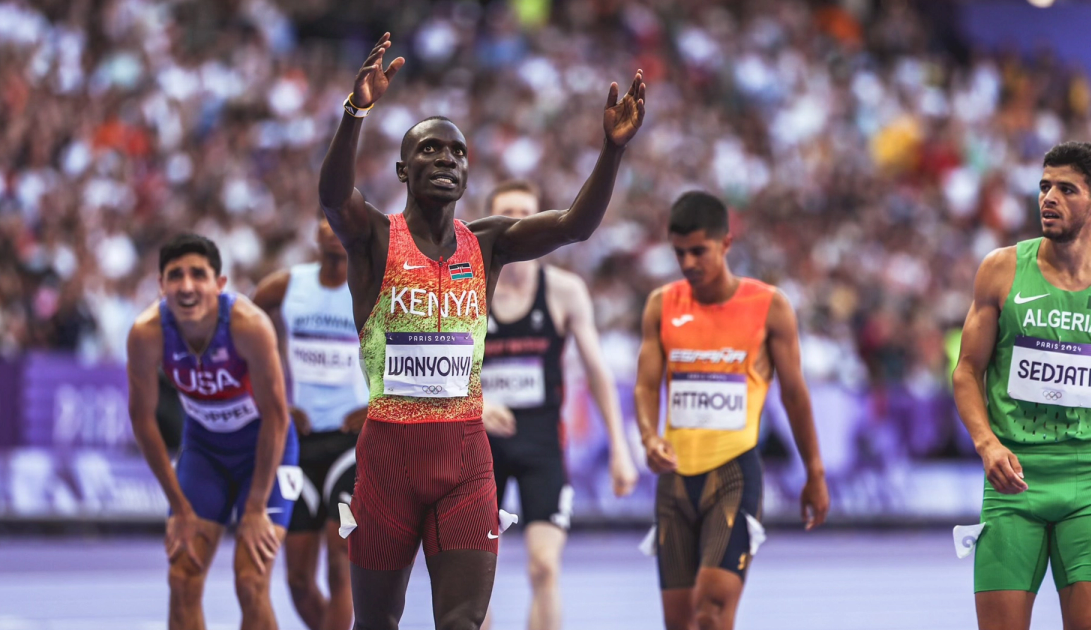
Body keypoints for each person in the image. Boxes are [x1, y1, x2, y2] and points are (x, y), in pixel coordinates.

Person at [317, 32, 645, 630]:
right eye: (429, 151)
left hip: (466, 460)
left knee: (464, 623)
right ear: (402, 169)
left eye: (456, 153)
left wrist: (612, 151)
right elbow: (334, 198)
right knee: (375, 624)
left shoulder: (488, 243)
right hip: (388, 458)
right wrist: (355, 112)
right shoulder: (373, 240)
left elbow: (574, 226)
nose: (445, 159)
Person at [952, 141, 1091, 630]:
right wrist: (986, 443)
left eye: (1066, 189)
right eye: (1044, 186)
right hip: (1013, 477)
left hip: (1090, 478)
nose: (1048, 198)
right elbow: (967, 369)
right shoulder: (1001, 270)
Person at [634, 191, 829, 630]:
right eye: (678, 253)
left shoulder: (769, 306)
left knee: (711, 611)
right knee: (679, 622)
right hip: (674, 482)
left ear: (726, 243)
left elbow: (795, 396)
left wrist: (814, 472)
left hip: (734, 476)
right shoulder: (661, 305)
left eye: (698, 251)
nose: (687, 263)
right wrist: (649, 437)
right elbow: (646, 385)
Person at [479, 180, 639, 630]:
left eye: (525, 214)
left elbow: (596, 372)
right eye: (505, 213)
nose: (516, 222)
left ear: (541, 225)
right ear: (490, 224)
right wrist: (479, 401)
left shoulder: (564, 292)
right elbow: (443, 366)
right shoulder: (468, 290)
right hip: (478, 446)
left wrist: (621, 451)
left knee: (544, 567)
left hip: (542, 444)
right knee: (474, 576)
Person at [126, 233, 300, 630]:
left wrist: (255, 507)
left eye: (198, 275)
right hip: (204, 454)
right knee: (182, 577)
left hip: (266, 453)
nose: (186, 286)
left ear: (219, 285)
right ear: (160, 285)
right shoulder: (147, 333)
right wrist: (180, 508)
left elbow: (276, 416)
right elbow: (142, 421)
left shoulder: (249, 325)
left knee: (251, 580)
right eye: (175, 276)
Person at [253, 213, 368, 630]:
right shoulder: (289, 286)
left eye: (342, 223)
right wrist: (276, 397)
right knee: (299, 579)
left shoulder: (371, 289)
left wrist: (374, 406)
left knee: (341, 561)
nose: (333, 229)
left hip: (349, 445)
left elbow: (411, 347)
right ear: (315, 233)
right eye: (325, 221)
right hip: (298, 442)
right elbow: (242, 325)